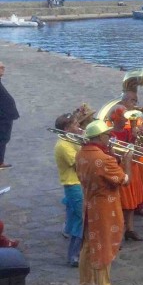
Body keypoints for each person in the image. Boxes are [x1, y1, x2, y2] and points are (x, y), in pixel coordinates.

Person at [76, 119, 131, 285]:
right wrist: (127, 161)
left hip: (89, 204)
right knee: (103, 247)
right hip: (105, 208)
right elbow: (124, 180)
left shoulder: (81, 153)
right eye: (107, 135)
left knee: (88, 246)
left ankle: (86, 284)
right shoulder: (104, 159)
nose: (110, 137)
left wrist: (114, 157)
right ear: (99, 137)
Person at [107, 106, 143, 241]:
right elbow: (112, 154)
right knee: (123, 203)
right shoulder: (110, 134)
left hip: (131, 167)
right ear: (116, 119)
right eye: (123, 117)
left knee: (131, 201)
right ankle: (119, 232)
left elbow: (133, 147)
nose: (126, 120)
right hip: (119, 168)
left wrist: (136, 138)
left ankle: (130, 229)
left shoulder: (128, 131)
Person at [54, 113, 84, 266]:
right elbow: (79, 163)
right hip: (74, 185)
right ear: (67, 128)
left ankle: (77, 255)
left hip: (78, 183)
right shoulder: (63, 145)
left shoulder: (72, 140)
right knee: (81, 220)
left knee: (77, 220)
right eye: (75, 124)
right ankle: (75, 256)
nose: (78, 126)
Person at [0, 62, 19, 169]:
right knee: (3, 138)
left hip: (6, 115)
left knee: (4, 138)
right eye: (1, 67)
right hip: (3, 116)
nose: (3, 68)